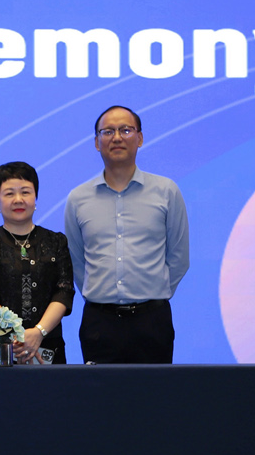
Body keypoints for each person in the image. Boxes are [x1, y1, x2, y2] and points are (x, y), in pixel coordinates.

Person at [63, 106, 189, 364]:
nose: (117, 138)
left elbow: (179, 256)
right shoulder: (78, 198)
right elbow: (76, 260)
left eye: (125, 130)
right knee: (102, 402)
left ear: (140, 138)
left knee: (153, 400)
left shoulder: (166, 191)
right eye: (107, 131)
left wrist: (154, 290)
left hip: (152, 320)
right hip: (100, 322)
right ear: (96, 142)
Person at [0, 162, 76, 363]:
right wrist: (16, 335)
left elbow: (64, 291)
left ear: (35, 198)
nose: (18, 200)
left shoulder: (56, 241)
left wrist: (38, 332)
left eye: (25, 192)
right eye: (9, 194)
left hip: (48, 346)